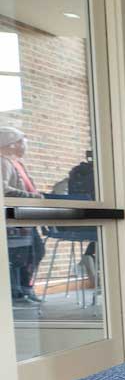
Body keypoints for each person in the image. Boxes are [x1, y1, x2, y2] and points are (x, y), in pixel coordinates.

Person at [1, 126, 45, 303]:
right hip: (15, 220)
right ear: (11, 144)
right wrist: (31, 196)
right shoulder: (3, 162)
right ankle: (18, 292)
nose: (25, 144)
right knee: (19, 255)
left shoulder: (16, 163)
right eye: (21, 141)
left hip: (25, 218)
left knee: (33, 252)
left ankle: (24, 290)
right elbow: (3, 189)